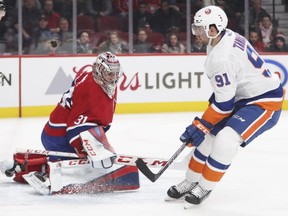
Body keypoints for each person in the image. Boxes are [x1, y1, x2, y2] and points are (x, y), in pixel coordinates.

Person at [166, 5, 284, 207]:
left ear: (213, 29)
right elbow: (227, 93)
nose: (196, 33)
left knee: (224, 140)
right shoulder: (224, 36)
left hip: (265, 102)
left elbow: (224, 105)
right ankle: (191, 180)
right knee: (207, 138)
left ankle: (205, 186)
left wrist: (200, 124)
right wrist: (203, 127)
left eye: (199, 29)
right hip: (243, 96)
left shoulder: (221, 58)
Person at [0, 52, 140, 194]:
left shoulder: (95, 79)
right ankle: (46, 176)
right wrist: (83, 149)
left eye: (116, 74)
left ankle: (21, 165)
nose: (114, 78)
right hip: (60, 137)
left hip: (53, 132)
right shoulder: (90, 89)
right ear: (99, 71)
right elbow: (75, 126)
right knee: (87, 169)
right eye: (110, 74)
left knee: (71, 163)